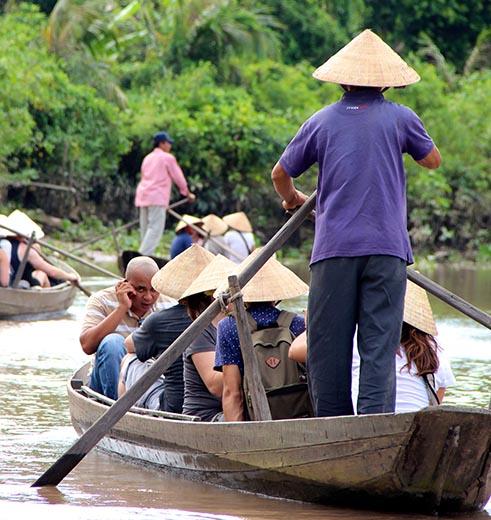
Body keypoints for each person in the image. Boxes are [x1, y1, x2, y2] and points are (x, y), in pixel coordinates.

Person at [271, 29, 442, 417]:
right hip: (386, 250)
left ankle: (333, 425)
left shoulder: (321, 120)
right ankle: (373, 423)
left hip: (333, 250)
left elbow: (280, 173)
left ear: (342, 80)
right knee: (379, 344)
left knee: (327, 345)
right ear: (384, 81)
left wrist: (292, 199)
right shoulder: (401, 116)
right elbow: (432, 160)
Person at [289, 282, 456, 413]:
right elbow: (435, 404)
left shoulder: (358, 337)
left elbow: (295, 351)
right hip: (416, 431)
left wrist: (313, 322)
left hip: (368, 429)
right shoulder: (434, 349)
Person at [214, 251, 308, 421]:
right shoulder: (297, 323)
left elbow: (232, 392)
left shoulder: (228, 327)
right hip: (299, 416)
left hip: (255, 419)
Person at [124, 244, 214, 413]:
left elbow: (128, 345)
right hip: (216, 405)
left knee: (129, 360)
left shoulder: (159, 321)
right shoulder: (228, 317)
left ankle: (124, 418)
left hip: (172, 408)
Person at [80, 257, 162, 400]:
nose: (148, 297)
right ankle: (118, 408)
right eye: (140, 289)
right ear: (125, 285)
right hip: (106, 385)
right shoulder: (101, 300)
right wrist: (122, 308)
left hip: (148, 384)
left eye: (154, 290)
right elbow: (87, 345)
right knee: (113, 342)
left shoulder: (168, 305)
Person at [179, 254, 236, 421]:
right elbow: (215, 386)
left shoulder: (239, 324)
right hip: (206, 416)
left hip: (235, 405)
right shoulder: (200, 331)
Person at [135, 131, 196, 256]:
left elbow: (143, 177)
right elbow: (178, 177)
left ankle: (141, 257)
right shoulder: (167, 158)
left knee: (145, 229)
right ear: (161, 143)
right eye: (168, 143)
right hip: (156, 197)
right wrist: (187, 193)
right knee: (155, 229)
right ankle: (141, 258)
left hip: (143, 196)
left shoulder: (147, 158)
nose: (170, 146)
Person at [6, 210, 79, 288]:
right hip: (18, 285)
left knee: (38, 272)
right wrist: (70, 277)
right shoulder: (26, 250)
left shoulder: (3, 243)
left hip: (9, 282)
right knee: (42, 274)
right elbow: (52, 272)